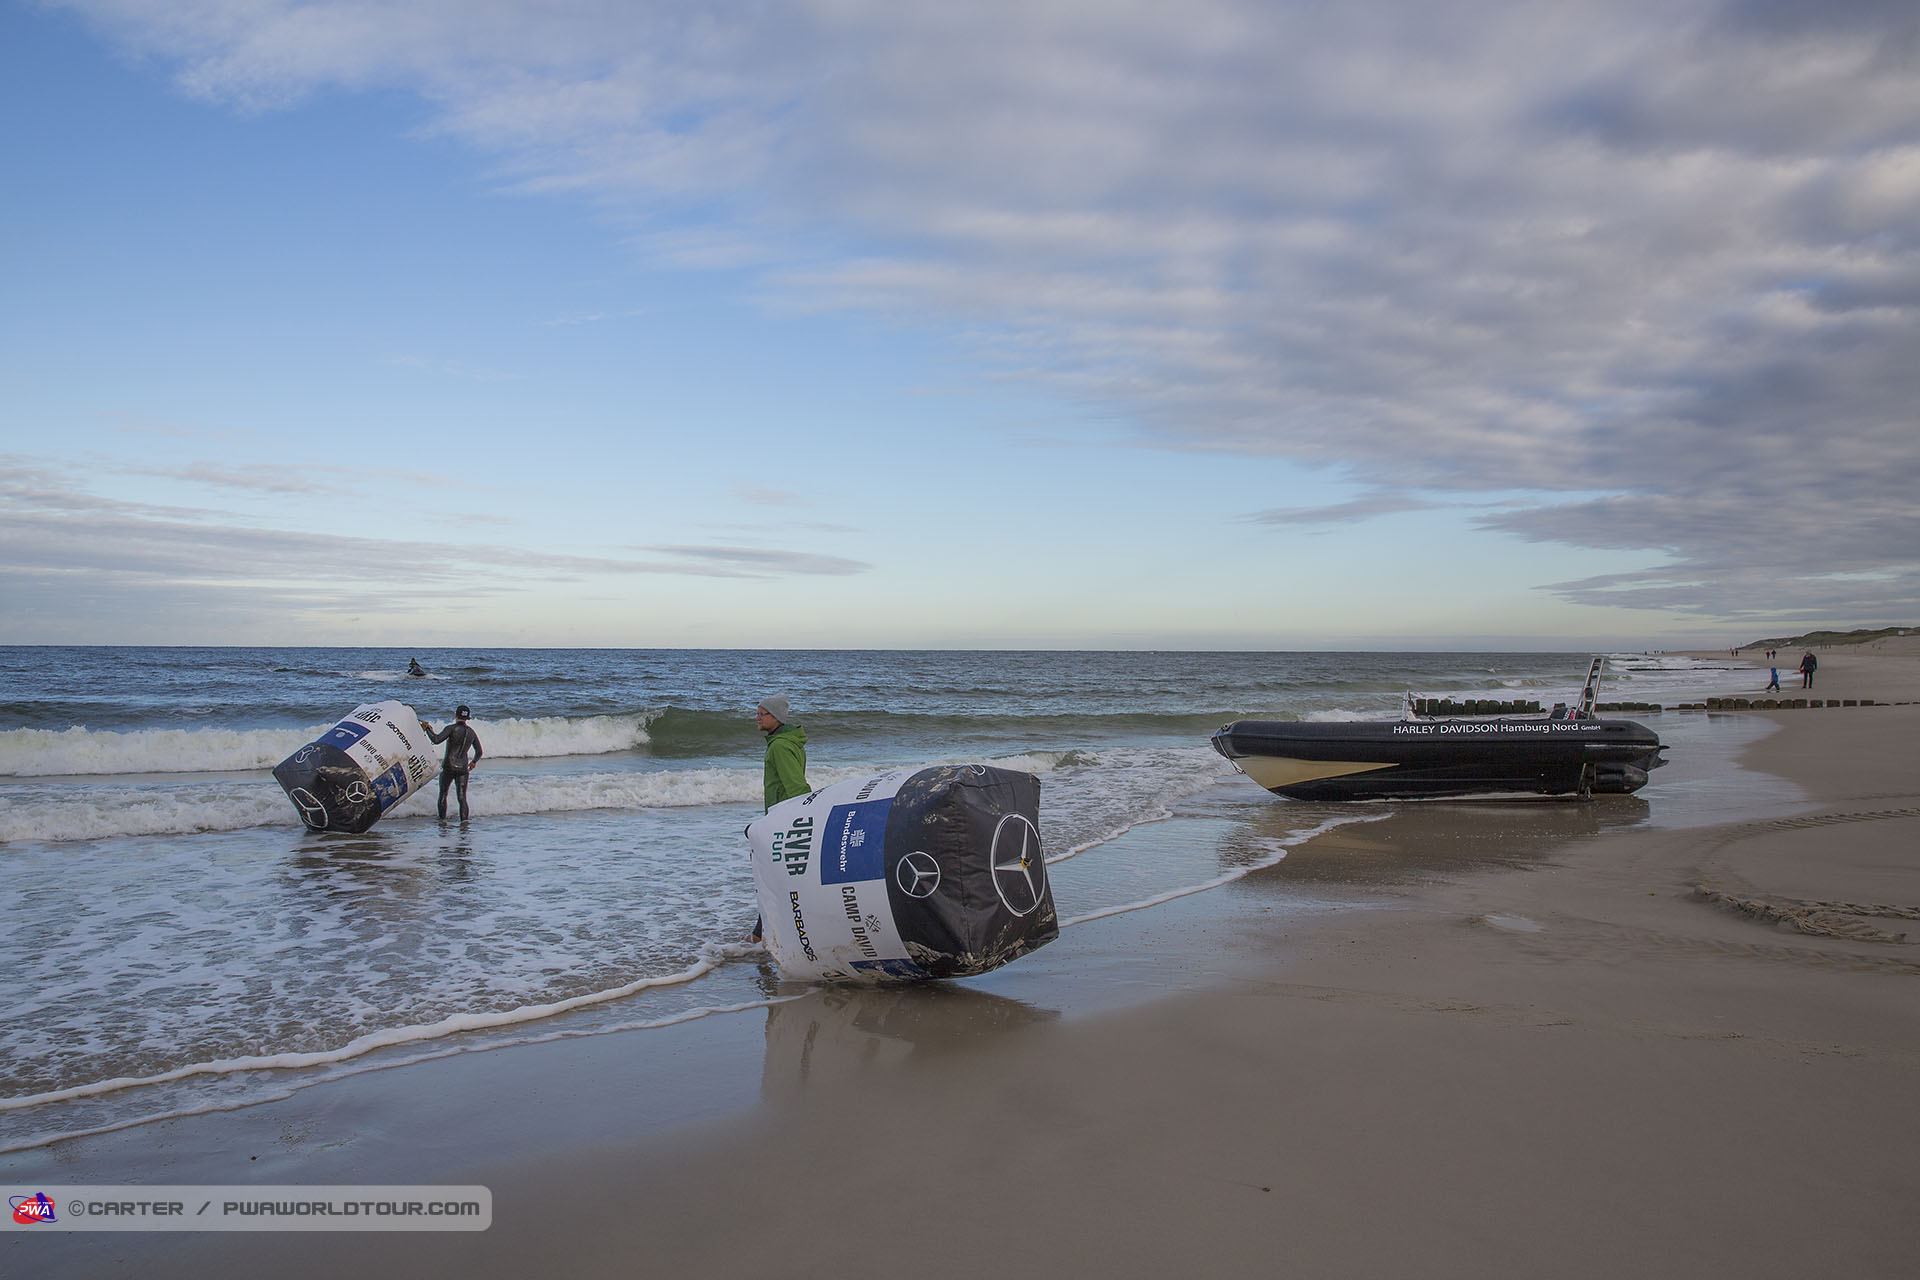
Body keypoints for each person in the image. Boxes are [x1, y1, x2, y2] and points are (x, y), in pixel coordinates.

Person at [750, 695, 811, 943]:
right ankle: (761, 935)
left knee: (771, 880)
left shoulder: (780, 747)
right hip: (780, 819)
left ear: (775, 717)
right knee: (774, 880)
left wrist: (799, 820)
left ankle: (760, 937)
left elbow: (797, 788)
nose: (757, 717)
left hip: (783, 823)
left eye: (761, 713)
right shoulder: (782, 742)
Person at [421, 705, 483, 820]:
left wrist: (427, 729)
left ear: (456, 715)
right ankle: (464, 824)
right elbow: (479, 751)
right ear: (467, 718)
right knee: (462, 798)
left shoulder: (451, 728)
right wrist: (474, 761)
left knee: (443, 794)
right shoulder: (471, 733)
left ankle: (442, 822)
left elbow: (436, 740)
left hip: (448, 766)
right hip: (463, 768)